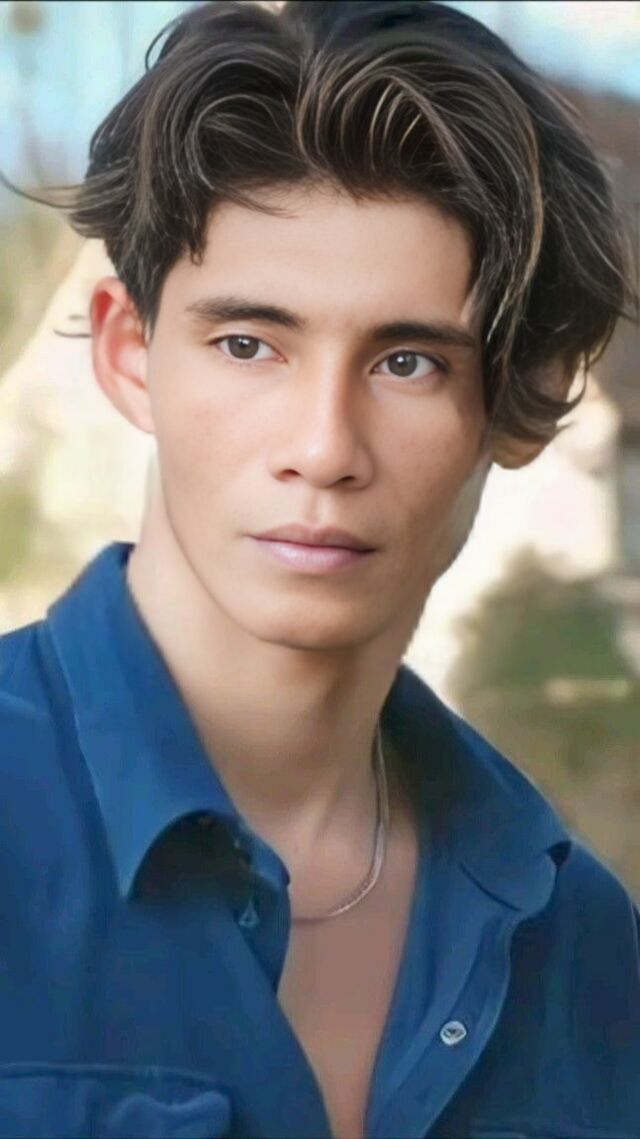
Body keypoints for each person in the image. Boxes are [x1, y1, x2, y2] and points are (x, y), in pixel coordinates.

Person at [0, 2, 638, 1136]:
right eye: (249, 344)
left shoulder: (580, 940)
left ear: (519, 404)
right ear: (130, 355)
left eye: (408, 361)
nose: (324, 447)